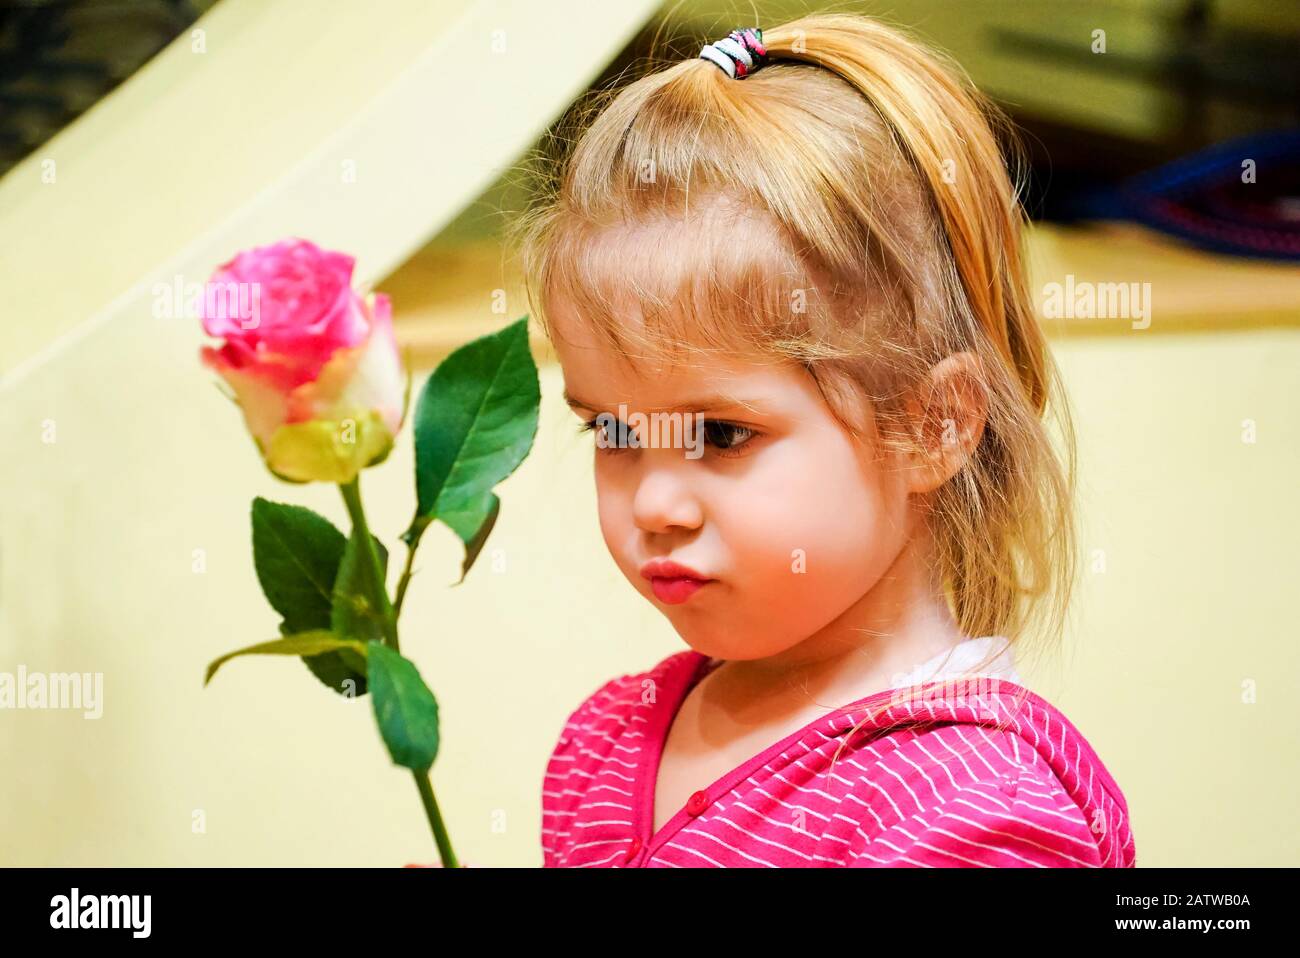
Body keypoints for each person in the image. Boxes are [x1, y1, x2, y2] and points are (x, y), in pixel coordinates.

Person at [510, 13, 1135, 867]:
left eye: (722, 433)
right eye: (614, 431)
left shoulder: (973, 810)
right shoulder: (608, 744)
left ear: (933, 424)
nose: (653, 503)